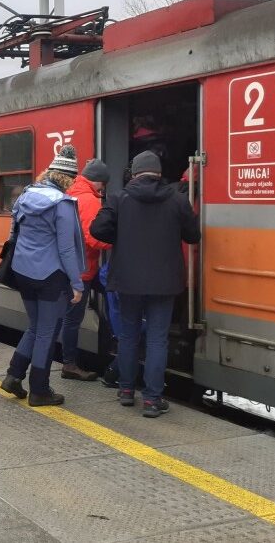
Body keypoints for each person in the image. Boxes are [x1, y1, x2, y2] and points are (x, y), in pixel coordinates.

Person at [91, 150, 201, 418]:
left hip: (127, 281)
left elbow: (97, 230)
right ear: (159, 174)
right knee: (157, 339)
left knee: (128, 336)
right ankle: (152, 400)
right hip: (164, 283)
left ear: (135, 173)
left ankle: (127, 391)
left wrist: (122, 235)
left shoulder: (118, 199)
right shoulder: (177, 200)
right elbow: (193, 235)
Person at [0, 145, 86, 407]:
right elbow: (67, 248)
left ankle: (13, 376)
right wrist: (77, 283)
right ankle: (40, 390)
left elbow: (13, 234)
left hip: (23, 272)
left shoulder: (25, 196)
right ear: (67, 178)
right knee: (47, 332)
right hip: (50, 276)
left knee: (35, 327)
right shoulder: (63, 205)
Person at [58, 158, 112, 382]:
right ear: (100, 182)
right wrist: (114, 242)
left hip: (71, 266)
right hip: (81, 270)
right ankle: (69, 364)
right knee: (72, 319)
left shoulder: (71, 191)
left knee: (69, 317)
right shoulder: (89, 200)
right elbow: (93, 237)